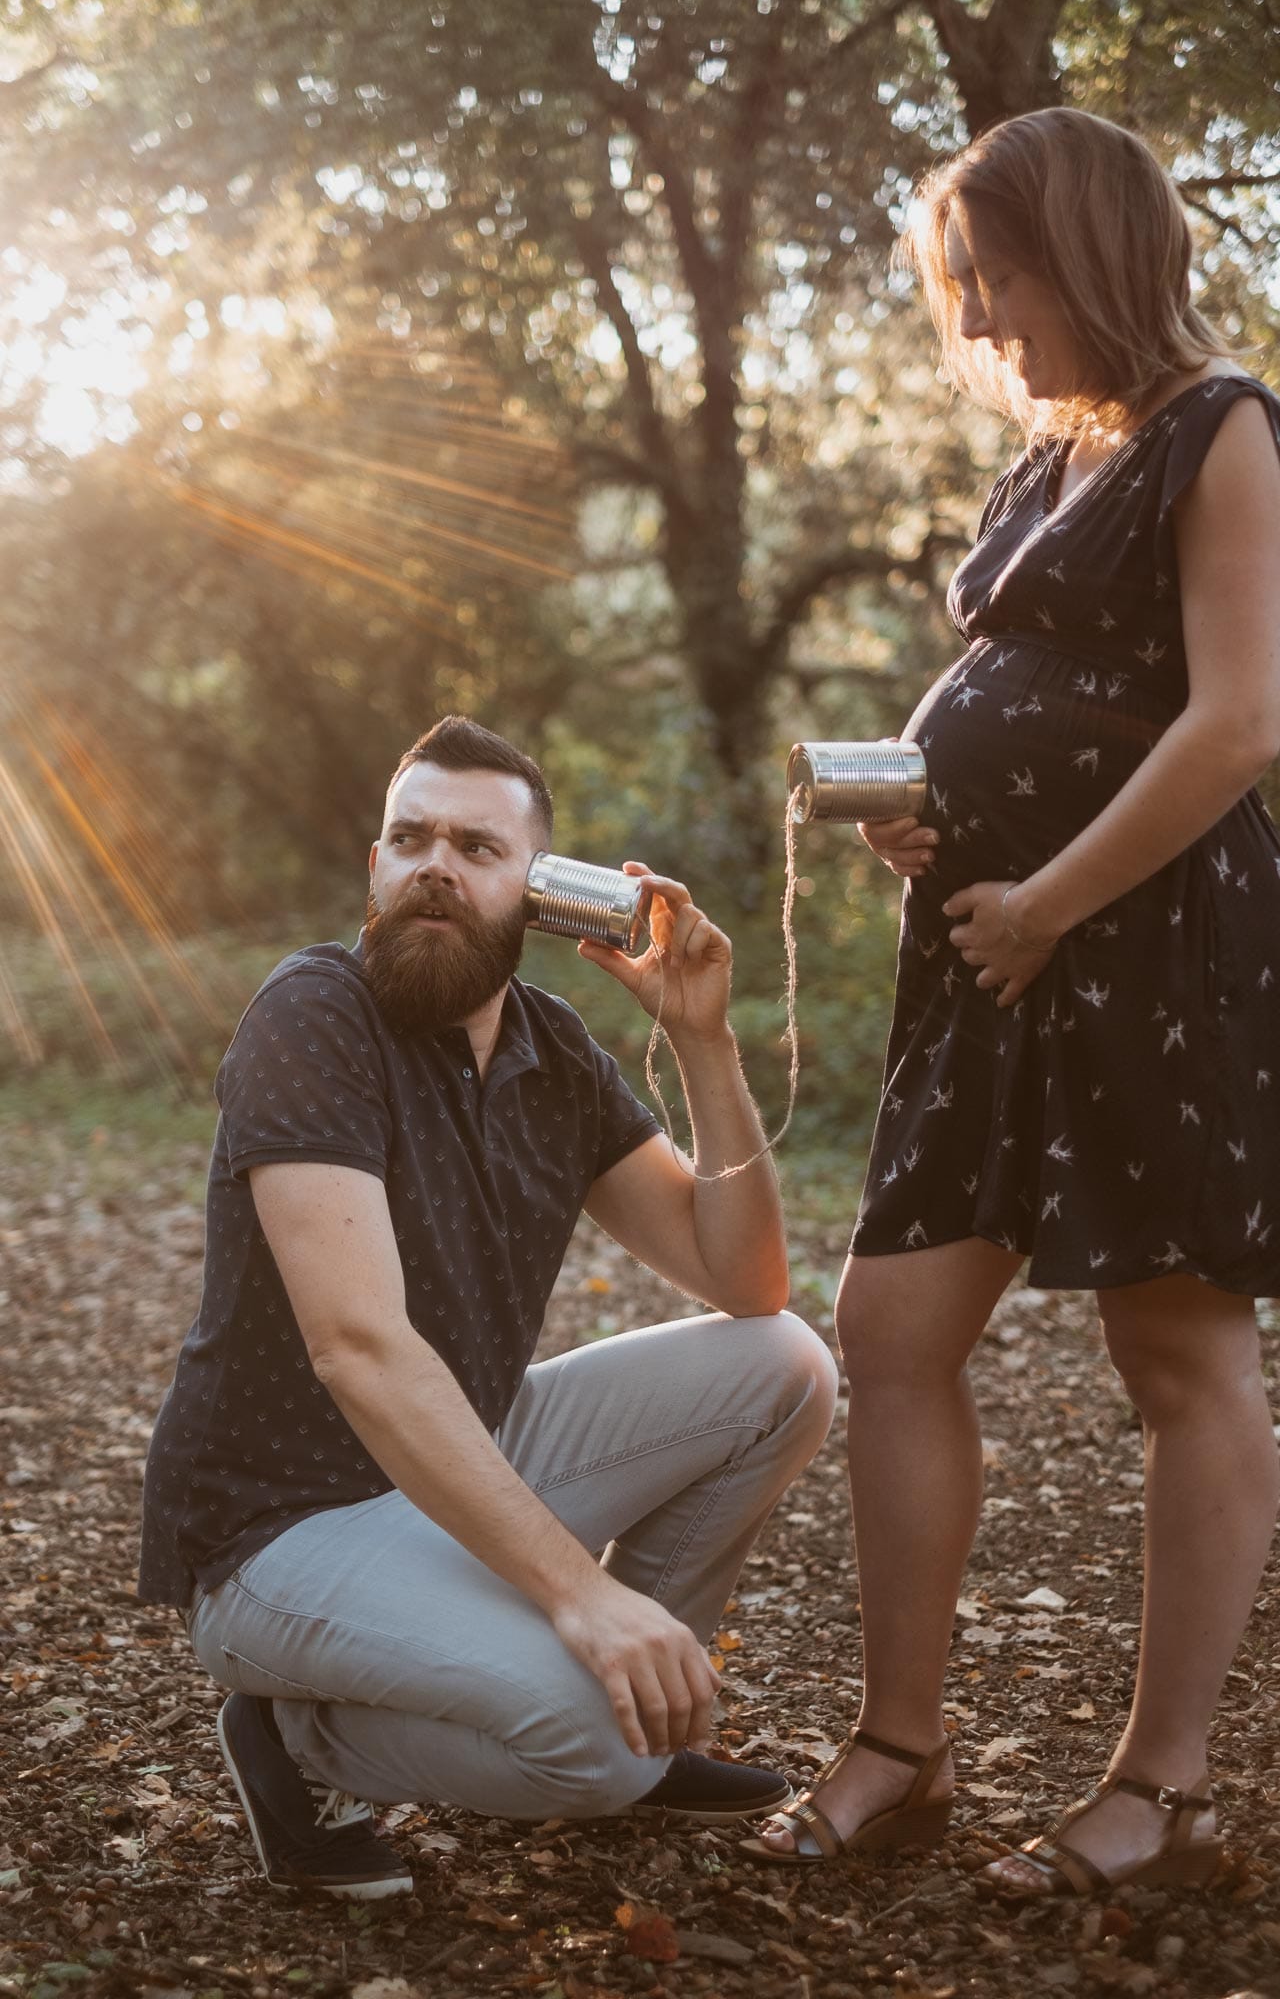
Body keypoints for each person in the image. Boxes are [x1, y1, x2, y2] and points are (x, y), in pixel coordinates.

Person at [747, 108, 1280, 1895]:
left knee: (1179, 1351)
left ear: (1095, 252)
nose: (975, 323)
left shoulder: (1225, 430)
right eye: (958, 285)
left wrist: (1052, 890)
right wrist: (932, 815)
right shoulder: (1048, 458)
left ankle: (1161, 1791)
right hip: (992, 954)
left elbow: (1240, 719)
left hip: (1146, 947)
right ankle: (903, 1749)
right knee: (890, 1330)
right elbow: (1034, 684)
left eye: (995, 278)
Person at [138, 715, 837, 1899]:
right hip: (276, 1530)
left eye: (475, 846)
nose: (434, 868)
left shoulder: (554, 1054)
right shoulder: (313, 1015)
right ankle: (298, 1739)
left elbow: (744, 1280)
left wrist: (704, 1042)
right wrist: (580, 1591)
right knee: (596, 1745)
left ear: (539, 893)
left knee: (783, 1364)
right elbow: (357, 1346)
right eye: (408, 838)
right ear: (374, 865)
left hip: (445, 1464)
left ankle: (637, 1712)